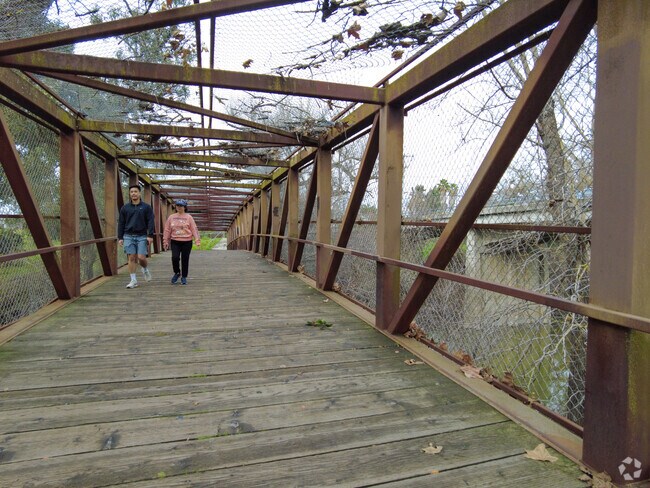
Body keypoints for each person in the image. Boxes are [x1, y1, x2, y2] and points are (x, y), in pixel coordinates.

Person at [118, 184, 155, 289]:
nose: (133, 193)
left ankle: (145, 269)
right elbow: (121, 223)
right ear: (129, 194)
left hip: (142, 235)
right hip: (128, 235)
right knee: (132, 257)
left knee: (141, 257)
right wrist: (120, 237)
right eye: (131, 192)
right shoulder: (125, 208)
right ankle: (133, 280)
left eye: (135, 191)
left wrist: (150, 235)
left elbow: (151, 221)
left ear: (139, 193)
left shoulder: (146, 207)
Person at [163, 199, 201, 285]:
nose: (179, 207)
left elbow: (193, 229)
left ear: (184, 207)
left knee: (185, 259)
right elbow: (167, 229)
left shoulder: (189, 217)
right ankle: (177, 272)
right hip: (175, 240)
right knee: (175, 257)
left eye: (181, 206)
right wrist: (165, 240)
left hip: (187, 241)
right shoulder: (171, 217)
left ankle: (184, 276)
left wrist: (197, 240)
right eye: (177, 205)